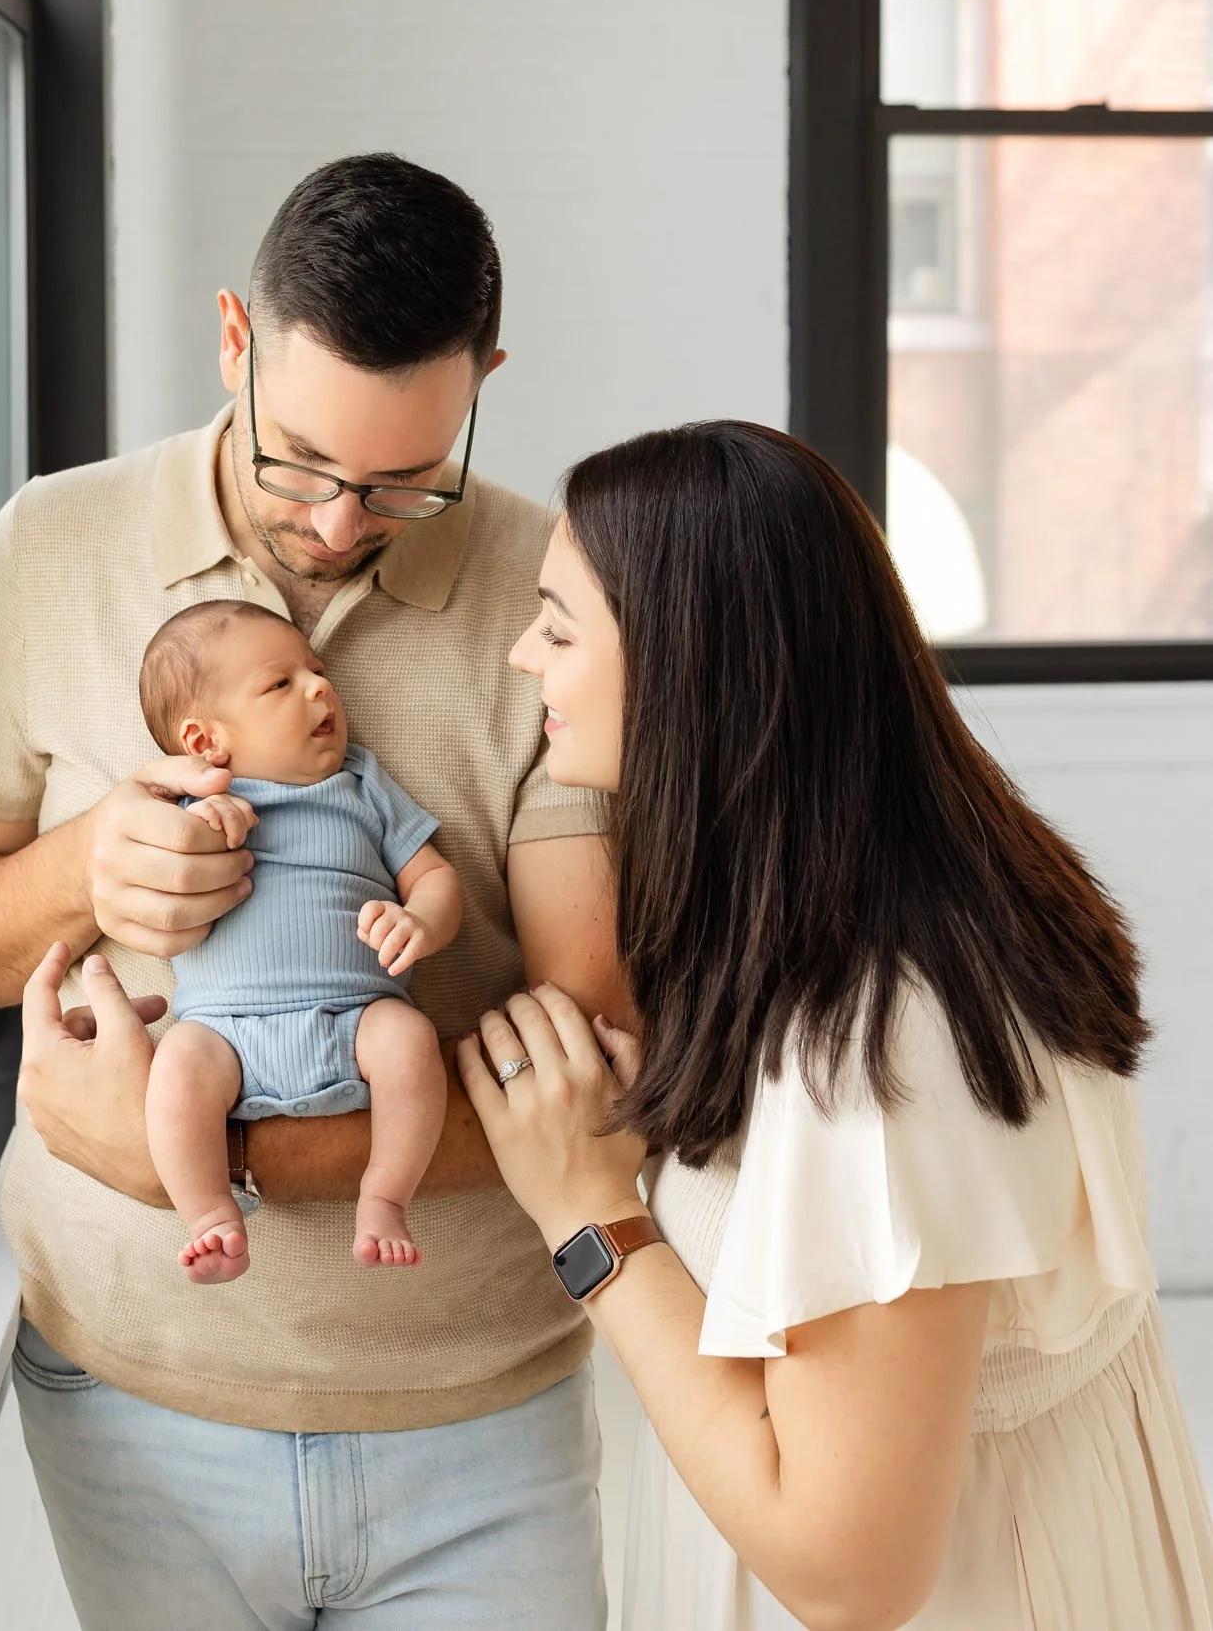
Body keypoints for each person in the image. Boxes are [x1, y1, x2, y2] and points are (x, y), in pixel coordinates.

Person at [0, 154, 628, 1631]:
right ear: (232, 339)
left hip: (475, 1412)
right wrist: (82, 869)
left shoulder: (554, 588)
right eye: (297, 459)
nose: (342, 519)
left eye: (405, 477)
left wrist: (223, 1162)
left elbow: (593, 1052)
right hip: (134, 1406)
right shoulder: (55, 545)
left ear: (482, 376)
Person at [460, 421, 1213, 1631]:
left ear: (687, 664)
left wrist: (586, 1216)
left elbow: (849, 1571)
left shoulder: (873, 1045)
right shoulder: (904, 905)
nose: (518, 656)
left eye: (557, 625)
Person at [136, 600, 462, 1279]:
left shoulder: (361, 785)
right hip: (221, 1036)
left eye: (316, 672)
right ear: (203, 743)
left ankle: (383, 1196)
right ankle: (209, 1215)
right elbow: (153, 895)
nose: (319, 687)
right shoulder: (188, 807)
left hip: (356, 1021)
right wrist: (198, 823)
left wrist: (421, 921)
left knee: (410, 1043)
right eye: (279, 684)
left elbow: (433, 876)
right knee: (174, 1069)